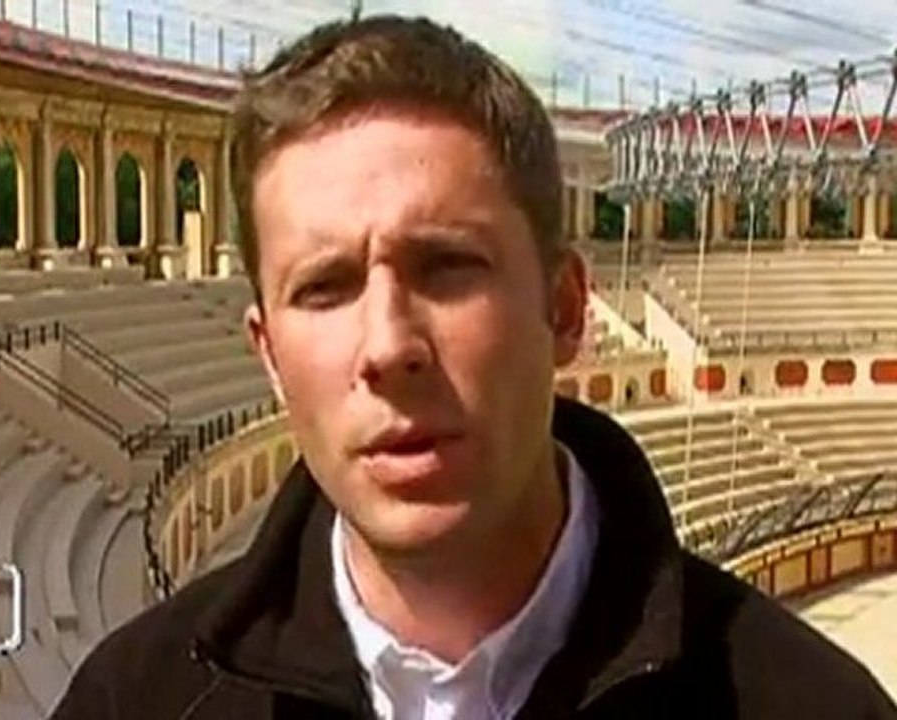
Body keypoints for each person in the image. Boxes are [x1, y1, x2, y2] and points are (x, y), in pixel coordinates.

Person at [50, 14, 897, 720]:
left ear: (565, 310)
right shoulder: (131, 702)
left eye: (446, 266)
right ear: (269, 354)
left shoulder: (816, 708)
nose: (388, 345)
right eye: (325, 286)